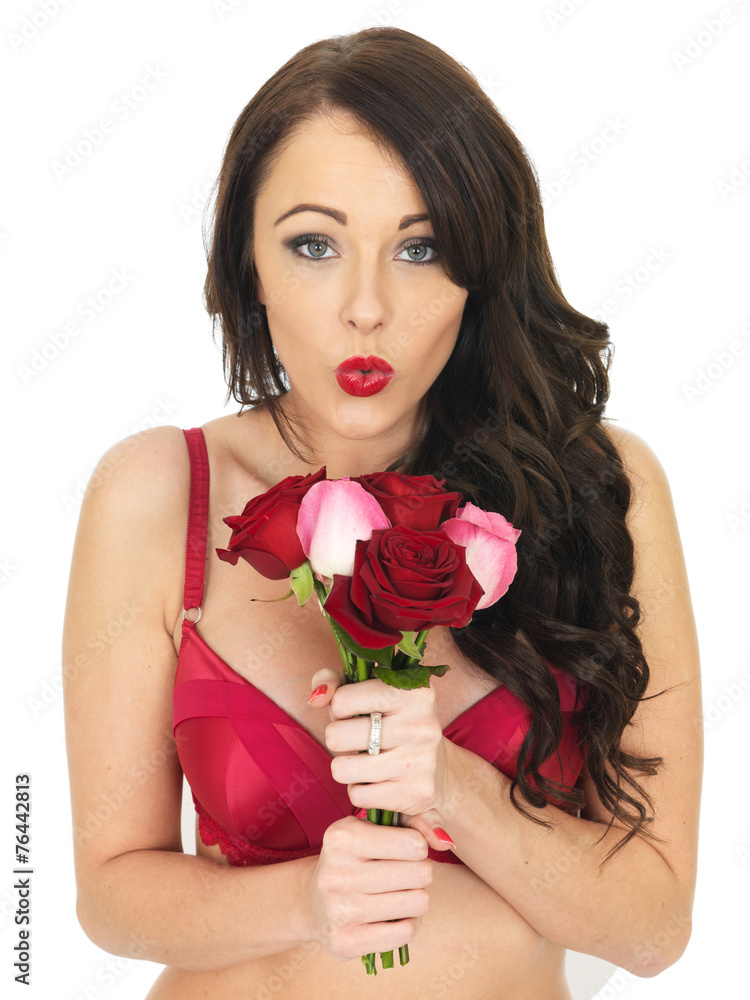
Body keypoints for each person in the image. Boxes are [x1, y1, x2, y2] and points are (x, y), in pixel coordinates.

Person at [62, 25, 702, 1000]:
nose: (367, 306)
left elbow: (654, 928)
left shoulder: (603, 488)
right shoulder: (157, 493)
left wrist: (450, 787)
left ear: (482, 265)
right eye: (314, 244)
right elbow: (110, 894)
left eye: (420, 246)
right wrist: (308, 900)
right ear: (250, 264)